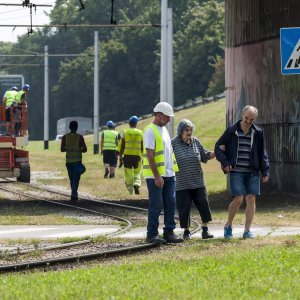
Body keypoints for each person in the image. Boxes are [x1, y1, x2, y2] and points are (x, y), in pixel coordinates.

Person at [214, 105, 270, 239]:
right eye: (247, 118)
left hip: (252, 171)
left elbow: (262, 152)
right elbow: (217, 148)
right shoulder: (231, 131)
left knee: (251, 198)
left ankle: (247, 231)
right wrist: (225, 163)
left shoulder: (258, 132)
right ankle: (228, 225)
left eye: (252, 119)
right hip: (236, 171)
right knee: (238, 199)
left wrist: (265, 170)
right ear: (242, 115)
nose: (249, 122)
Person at [143, 102, 183, 244]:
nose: (169, 120)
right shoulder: (149, 130)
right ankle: (152, 234)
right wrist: (157, 176)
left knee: (170, 203)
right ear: (159, 116)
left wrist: (172, 172)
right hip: (156, 176)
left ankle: (169, 233)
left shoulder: (164, 130)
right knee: (156, 204)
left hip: (169, 174)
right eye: (167, 117)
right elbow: (150, 155)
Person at [171, 119, 215, 240]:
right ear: (181, 131)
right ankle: (186, 232)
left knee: (203, 206)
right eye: (186, 130)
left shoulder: (195, 142)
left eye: (190, 130)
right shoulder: (173, 143)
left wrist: (217, 152)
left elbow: (205, 155)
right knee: (184, 209)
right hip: (182, 184)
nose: (189, 132)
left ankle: (205, 230)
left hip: (198, 182)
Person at [61, 121, 87, 202]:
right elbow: (85, 149)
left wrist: (68, 148)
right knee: (76, 178)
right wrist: (79, 149)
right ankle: (74, 194)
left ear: (69, 127)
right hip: (77, 161)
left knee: (72, 179)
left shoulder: (65, 137)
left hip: (68, 162)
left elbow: (62, 149)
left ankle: (74, 194)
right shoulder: (80, 137)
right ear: (77, 128)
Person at [118, 115, 143, 195]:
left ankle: (130, 191)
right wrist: (142, 155)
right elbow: (142, 145)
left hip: (127, 156)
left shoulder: (125, 132)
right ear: (136, 123)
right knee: (137, 172)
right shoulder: (140, 133)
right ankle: (137, 184)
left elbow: (122, 145)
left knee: (128, 172)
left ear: (129, 123)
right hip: (137, 156)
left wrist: (120, 156)